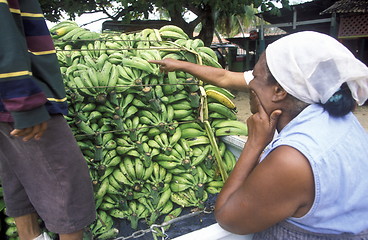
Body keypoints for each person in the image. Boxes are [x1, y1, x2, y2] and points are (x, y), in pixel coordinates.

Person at [149, 31, 368, 239]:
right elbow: (225, 77)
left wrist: (255, 143)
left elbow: (228, 218)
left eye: (254, 76)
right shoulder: (335, 116)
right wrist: (179, 65)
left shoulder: (292, 160)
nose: (249, 84)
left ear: (279, 91)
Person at [0, 1, 96, 240]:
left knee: (17, 176)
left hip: (6, 99)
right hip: (18, 96)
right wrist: (24, 100)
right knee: (68, 183)